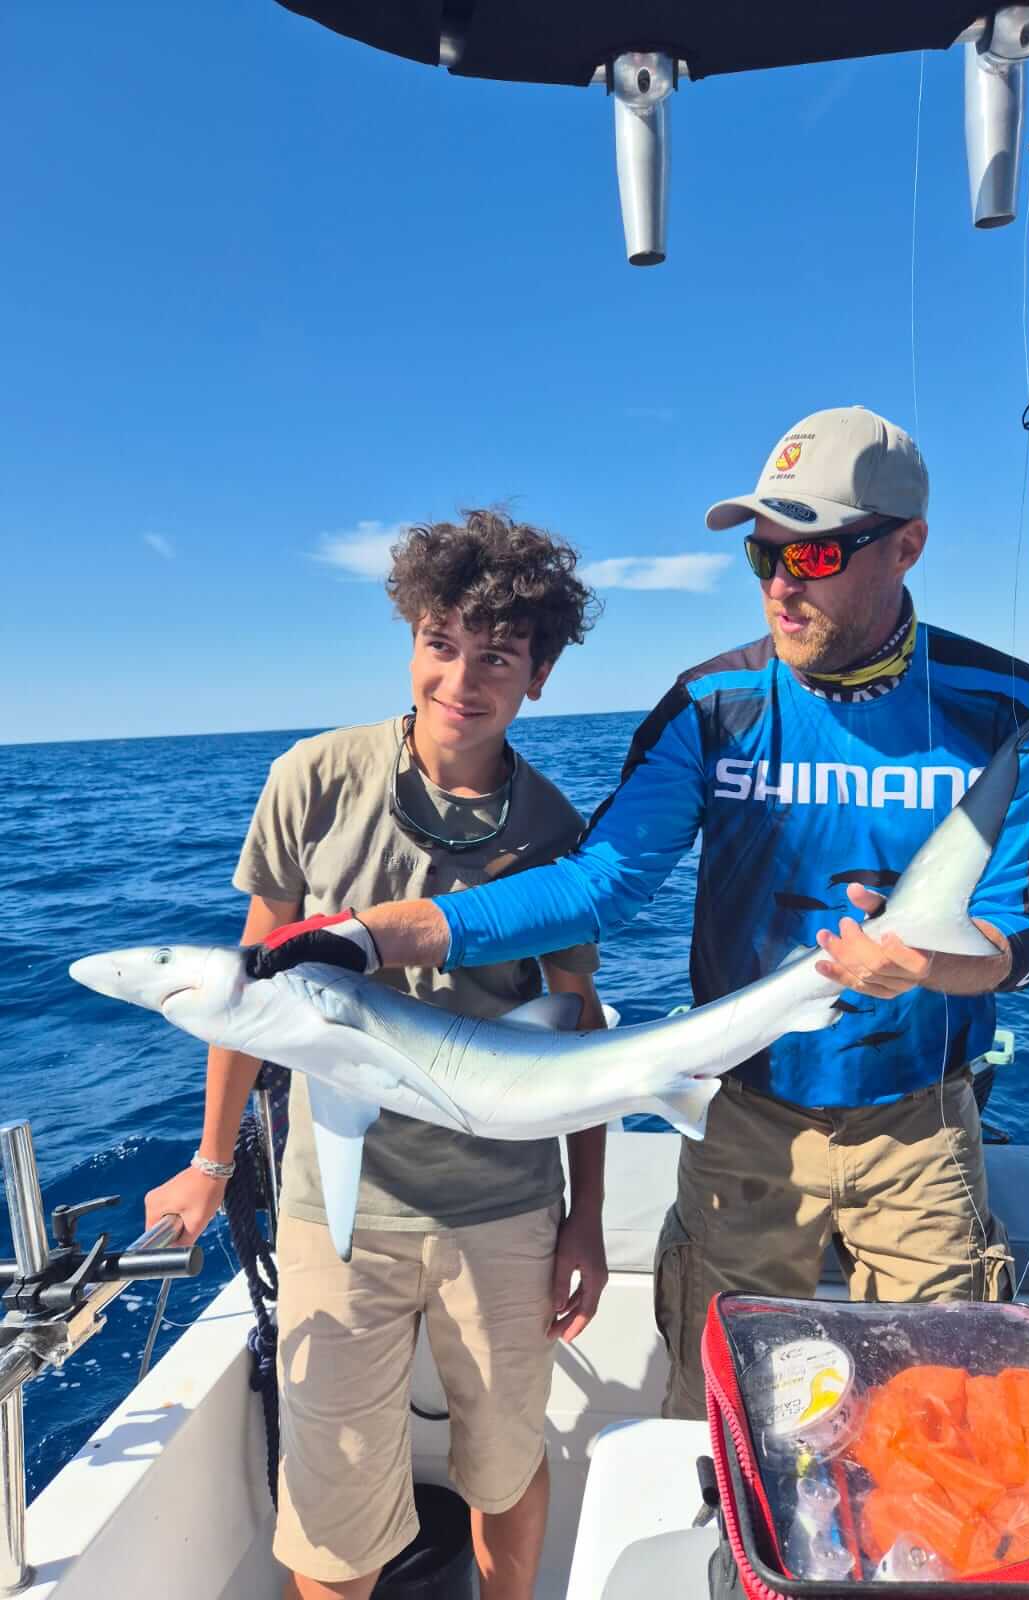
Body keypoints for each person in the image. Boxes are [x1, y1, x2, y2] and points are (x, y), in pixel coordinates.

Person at [247, 406, 1029, 1423]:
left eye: (813, 551)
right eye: (762, 553)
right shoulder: (711, 703)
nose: (781, 582)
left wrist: (926, 966)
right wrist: (381, 933)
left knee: (945, 1416)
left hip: (921, 1122)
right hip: (742, 1115)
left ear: (907, 544)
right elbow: (599, 883)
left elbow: (1016, 941)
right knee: (721, 1409)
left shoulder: (1009, 707)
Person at [145, 509, 609, 1600]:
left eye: (498, 656)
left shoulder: (555, 832)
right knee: (333, 1515)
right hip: (332, 1208)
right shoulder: (312, 780)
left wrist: (585, 1212)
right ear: (410, 639)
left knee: (504, 1468)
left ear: (538, 676)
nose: (462, 678)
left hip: (503, 1207)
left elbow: (578, 1030)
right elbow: (243, 995)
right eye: (442, 643)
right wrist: (213, 1164)